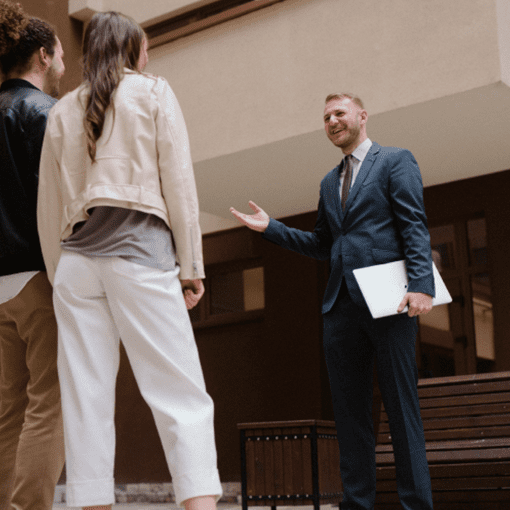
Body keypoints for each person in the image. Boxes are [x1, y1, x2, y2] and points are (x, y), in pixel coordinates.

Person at [37, 11, 222, 510]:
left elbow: (48, 209)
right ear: (130, 48)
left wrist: (60, 278)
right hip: (140, 254)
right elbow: (178, 182)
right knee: (179, 392)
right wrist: (191, 265)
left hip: (77, 264)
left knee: (85, 399)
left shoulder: (61, 111)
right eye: (145, 46)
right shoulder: (154, 92)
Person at [230, 93, 435, 510]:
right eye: (325, 117)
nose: (332, 121)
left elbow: (413, 224)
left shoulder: (396, 160)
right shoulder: (328, 182)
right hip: (340, 310)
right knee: (350, 418)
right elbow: (324, 244)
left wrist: (422, 284)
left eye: (339, 113)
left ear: (362, 115)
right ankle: (357, 505)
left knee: (402, 411)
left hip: (390, 303)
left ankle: (417, 505)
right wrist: (272, 228)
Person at [0, 2, 66, 509]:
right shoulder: (42, 114)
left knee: (10, 409)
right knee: (51, 403)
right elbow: (58, 203)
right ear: (44, 55)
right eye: (62, 54)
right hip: (38, 279)